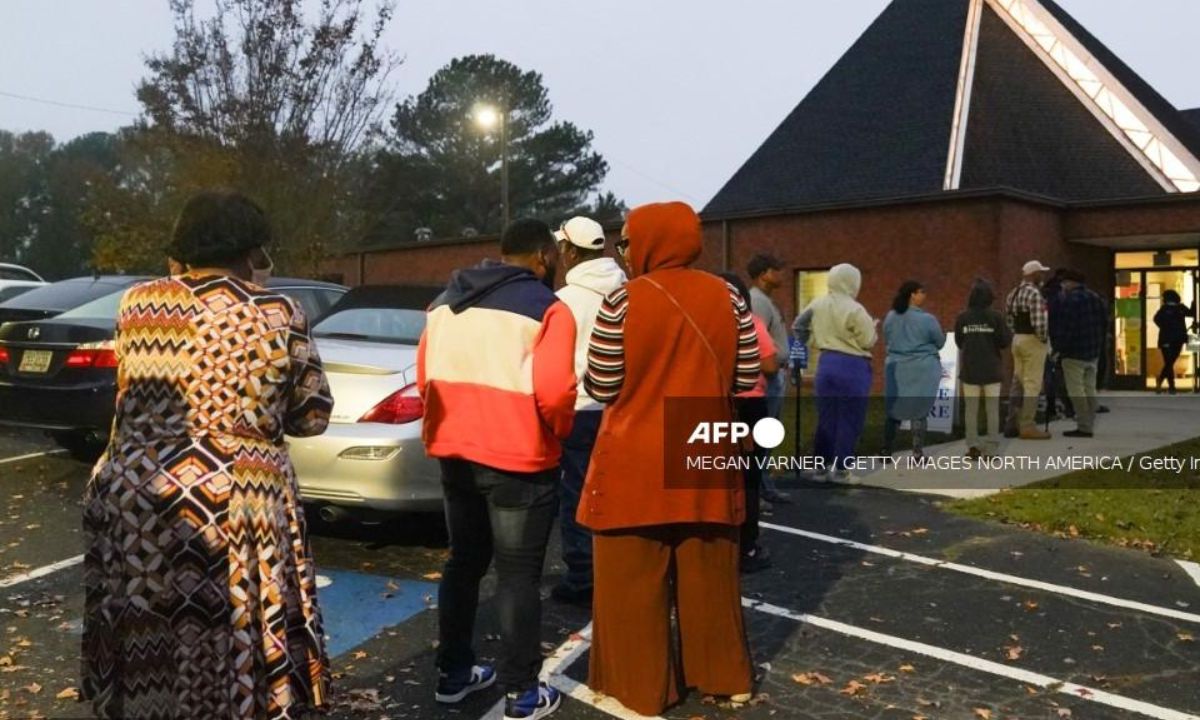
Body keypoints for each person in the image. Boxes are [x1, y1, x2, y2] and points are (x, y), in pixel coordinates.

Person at [82, 190, 333, 719]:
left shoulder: (138, 304)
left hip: (139, 488)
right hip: (235, 494)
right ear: (252, 248)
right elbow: (311, 416)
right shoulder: (278, 311)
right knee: (239, 624)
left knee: (149, 618)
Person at [581, 201, 757, 716]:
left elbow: (602, 383)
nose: (625, 252)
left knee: (631, 580)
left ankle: (643, 688)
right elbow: (746, 377)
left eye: (628, 242)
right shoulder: (727, 295)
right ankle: (725, 677)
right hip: (703, 435)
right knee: (711, 573)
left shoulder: (622, 301)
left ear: (651, 242)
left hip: (637, 444)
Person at [418, 218, 576, 720]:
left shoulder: (444, 302)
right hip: (519, 460)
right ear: (545, 256)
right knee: (517, 578)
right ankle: (522, 692)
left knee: (463, 564)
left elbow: (426, 380)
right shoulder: (550, 309)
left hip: (454, 454)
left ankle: (454, 674)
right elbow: (555, 393)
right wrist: (558, 433)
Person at [551, 215, 626, 606]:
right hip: (620, 407)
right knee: (615, 492)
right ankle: (616, 568)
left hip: (579, 407)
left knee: (576, 492)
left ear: (570, 250)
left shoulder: (564, 300)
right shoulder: (627, 290)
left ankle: (582, 575)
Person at [792, 263, 877, 483]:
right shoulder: (855, 309)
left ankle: (820, 468)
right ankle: (841, 470)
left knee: (826, 417)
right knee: (850, 418)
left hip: (826, 362)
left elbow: (799, 326)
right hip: (853, 365)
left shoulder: (816, 303)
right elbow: (868, 340)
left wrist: (814, 341)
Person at [721, 271, 778, 573]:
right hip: (750, 403)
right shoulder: (751, 323)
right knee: (750, 478)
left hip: (713, 405)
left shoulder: (707, 324)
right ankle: (748, 546)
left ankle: (720, 545)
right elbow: (769, 364)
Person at [747, 254, 792, 504]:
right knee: (763, 434)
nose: (782, 275)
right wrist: (770, 369)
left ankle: (764, 485)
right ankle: (759, 489)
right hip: (768, 376)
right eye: (777, 270)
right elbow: (757, 340)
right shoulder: (758, 302)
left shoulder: (766, 301)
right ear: (764, 273)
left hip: (777, 372)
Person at [882, 281, 945, 458]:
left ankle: (886, 449)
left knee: (894, 409)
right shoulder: (927, 319)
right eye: (921, 292)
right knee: (919, 410)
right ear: (912, 294)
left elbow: (886, 339)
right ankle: (917, 452)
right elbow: (940, 342)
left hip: (896, 368)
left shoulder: (890, 317)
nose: (924, 295)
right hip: (922, 369)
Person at [955, 279, 1012, 459]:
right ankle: (991, 450)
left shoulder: (963, 317)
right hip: (992, 369)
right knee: (992, 410)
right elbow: (1004, 342)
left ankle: (972, 447)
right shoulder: (996, 317)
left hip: (970, 369)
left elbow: (959, 342)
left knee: (970, 410)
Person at [1048, 270, 1107, 438]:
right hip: (1093, 351)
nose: (1062, 286)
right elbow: (1104, 323)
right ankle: (1090, 421)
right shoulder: (1096, 298)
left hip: (1073, 353)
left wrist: (1057, 349)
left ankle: (1084, 425)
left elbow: (1067, 328)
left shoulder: (1070, 301)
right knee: (1090, 388)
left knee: (1075, 390)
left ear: (1071, 282)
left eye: (1064, 283)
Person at [1004, 260, 1051, 440]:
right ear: (1033, 274)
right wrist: (1044, 340)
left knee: (1019, 380)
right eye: (1040, 272)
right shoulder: (1034, 293)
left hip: (1017, 339)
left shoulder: (1012, 293)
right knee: (1033, 384)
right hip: (1032, 340)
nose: (1043, 276)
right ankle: (1028, 425)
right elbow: (1040, 323)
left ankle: (1013, 421)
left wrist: (1017, 334)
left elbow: (1008, 319)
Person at [1154, 289, 1192, 394]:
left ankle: (1161, 380)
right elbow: (1156, 319)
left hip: (1172, 338)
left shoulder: (1176, 308)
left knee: (1169, 362)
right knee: (1169, 362)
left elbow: (1191, 313)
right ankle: (1171, 386)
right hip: (1172, 338)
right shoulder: (1169, 309)